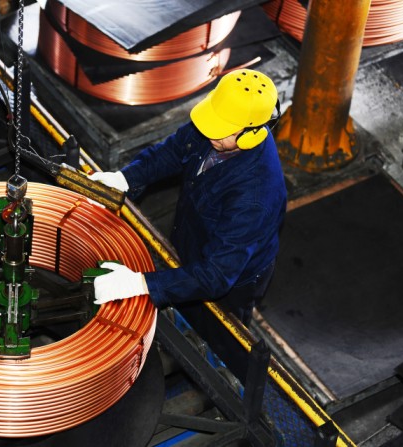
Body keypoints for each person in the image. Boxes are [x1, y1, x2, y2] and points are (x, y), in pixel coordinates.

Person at [90, 68, 287, 381]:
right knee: (183, 288)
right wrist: (125, 178)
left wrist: (141, 285)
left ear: (252, 135)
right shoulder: (217, 127)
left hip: (232, 281)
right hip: (194, 239)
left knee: (220, 334)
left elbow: (216, 276)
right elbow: (172, 151)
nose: (209, 132)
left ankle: (233, 385)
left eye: (220, 130)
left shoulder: (255, 196)